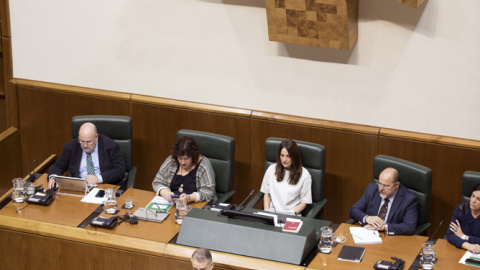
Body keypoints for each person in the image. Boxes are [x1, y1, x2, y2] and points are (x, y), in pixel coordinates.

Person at [48, 122, 126, 189]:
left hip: (103, 187)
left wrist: (98, 178)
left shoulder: (111, 146)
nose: (85, 145)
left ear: (96, 137)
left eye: (88, 142)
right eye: (82, 141)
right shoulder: (71, 147)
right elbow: (58, 166)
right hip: (79, 188)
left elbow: (120, 170)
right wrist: (53, 177)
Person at [349, 168, 418, 235]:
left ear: (397, 185)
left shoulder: (409, 199)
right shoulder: (372, 189)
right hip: (368, 233)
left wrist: (384, 227)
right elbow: (353, 210)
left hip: (390, 238)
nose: (381, 188)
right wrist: (367, 218)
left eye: (386, 186)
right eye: (380, 183)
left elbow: (409, 227)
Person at [152, 136, 216, 203]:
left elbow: (209, 193)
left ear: (193, 156)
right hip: (172, 204)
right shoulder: (172, 161)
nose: (183, 162)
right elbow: (157, 182)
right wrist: (166, 193)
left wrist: (189, 198)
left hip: (196, 206)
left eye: (186, 159)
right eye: (180, 158)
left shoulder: (203, 165)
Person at [260, 139, 312, 216]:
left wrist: (292, 213)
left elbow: (304, 202)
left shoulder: (305, 175)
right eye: (282, 155)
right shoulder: (271, 169)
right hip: (272, 214)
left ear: (294, 157)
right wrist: (266, 213)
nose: (284, 160)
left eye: (288, 156)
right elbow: (266, 194)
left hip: (291, 215)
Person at [447, 183, 480, 253]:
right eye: (473, 196)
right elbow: (450, 234)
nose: (473, 201)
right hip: (461, 250)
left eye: (478, 199)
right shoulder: (461, 209)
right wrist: (467, 245)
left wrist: (464, 236)